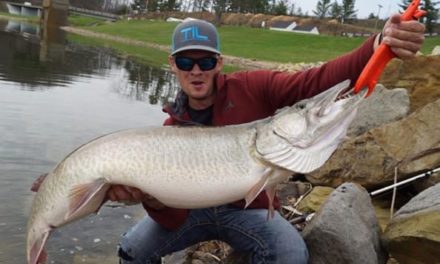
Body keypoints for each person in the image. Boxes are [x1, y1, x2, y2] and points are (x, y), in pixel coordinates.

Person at [31, 15, 425, 264]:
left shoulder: (256, 88)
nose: (196, 70)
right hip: (192, 214)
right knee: (133, 250)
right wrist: (145, 196)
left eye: (205, 61)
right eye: (186, 62)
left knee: (290, 253)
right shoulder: (172, 131)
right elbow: (172, 216)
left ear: (220, 63)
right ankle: (42, 227)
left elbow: (315, 82)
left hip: (246, 212)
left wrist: (376, 47)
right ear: (173, 66)